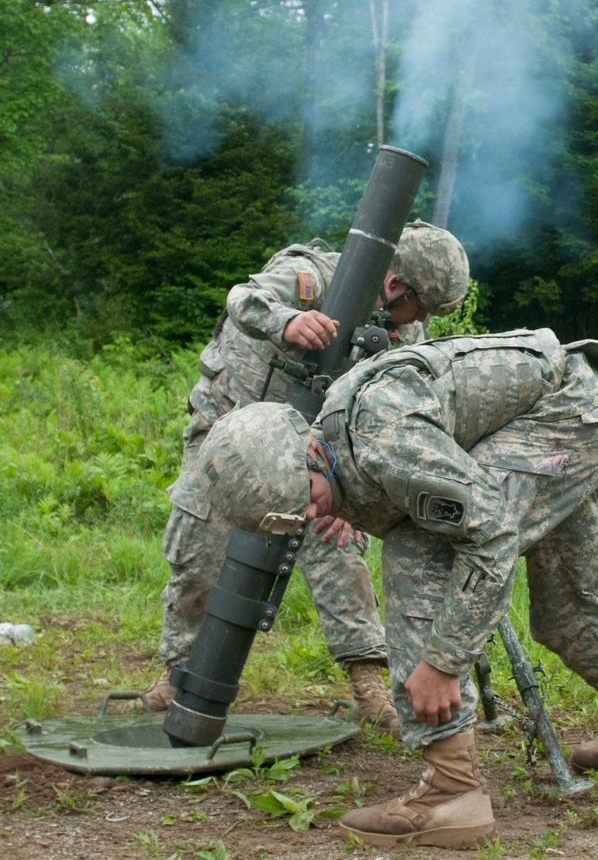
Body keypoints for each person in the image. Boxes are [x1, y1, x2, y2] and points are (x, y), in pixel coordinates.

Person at [199, 328, 598, 850]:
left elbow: (492, 532)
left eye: (302, 497)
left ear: (308, 452)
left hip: (568, 417)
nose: (305, 515)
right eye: (289, 516)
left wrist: (442, 661)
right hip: (587, 414)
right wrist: (596, 549)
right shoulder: (331, 445)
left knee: (423, 549)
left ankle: (450, 792)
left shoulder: (383, 437)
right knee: (565, 609)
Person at [145, 220, 470, 737]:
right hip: (228, 436)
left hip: (313, 451)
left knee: (339, 548)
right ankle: (178, 674)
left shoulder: (401, 330)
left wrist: (359, 499)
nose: (422, 319)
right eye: (423, 304)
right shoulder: (309, 278)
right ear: (395, 283)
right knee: (198, 553)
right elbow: (243, 299)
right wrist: (288, 323)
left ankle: (366, 681)